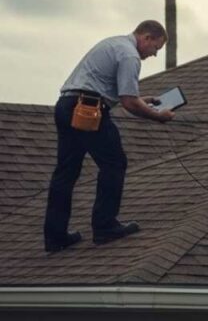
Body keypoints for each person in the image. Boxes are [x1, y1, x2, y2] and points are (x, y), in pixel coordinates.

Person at [42, 20, 175, 253]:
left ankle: (55, 237)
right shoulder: (130, 55)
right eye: (156, 47)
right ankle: (105, 227)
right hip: (88, 109)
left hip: (66, 105)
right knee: (114, 163)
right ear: (146, 37)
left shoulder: (113, 43)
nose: (154, 54)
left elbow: (112, 91)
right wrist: (158, 116)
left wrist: (143, 100)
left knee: (66, 172)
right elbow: (129, 103)